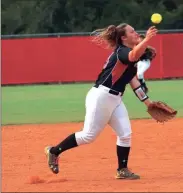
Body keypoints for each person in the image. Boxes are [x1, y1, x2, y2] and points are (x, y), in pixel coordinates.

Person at [44, 23, 158, 180]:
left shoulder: (131, 62)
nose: (136, 33)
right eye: (132, 32)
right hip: (102, 97)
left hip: (116, 98)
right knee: (88, 136)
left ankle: (122, 170)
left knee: (125, 134)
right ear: (123, 38)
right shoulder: (122, 52)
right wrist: (147, 40)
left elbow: (135, 84)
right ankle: (54, 151)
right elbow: (133, 55)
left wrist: (148, 103)